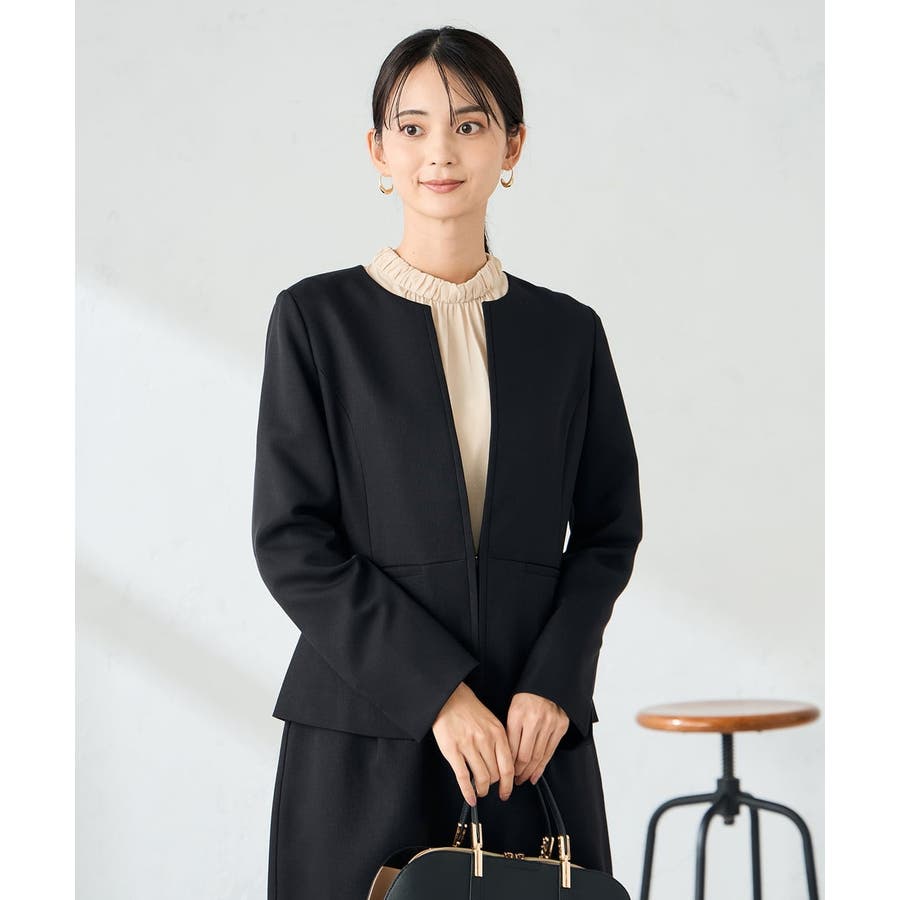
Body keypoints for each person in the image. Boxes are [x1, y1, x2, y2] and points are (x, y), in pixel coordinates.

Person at [252, 26, 643, 900]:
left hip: (526, 741)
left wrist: (556, 684)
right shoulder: (316, 321)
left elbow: (609, 532)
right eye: (413, 126)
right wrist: (438, 693)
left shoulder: (568, 334)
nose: (440, 151)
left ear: (513, 146)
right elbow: (291, 541)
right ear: (378, 151)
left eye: (470, 125)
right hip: (365, 733)